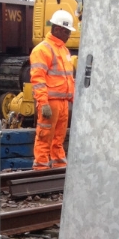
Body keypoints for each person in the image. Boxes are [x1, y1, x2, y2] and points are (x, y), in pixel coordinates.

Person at [30, 9, 76, 170]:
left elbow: (68, 78)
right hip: (50, 102)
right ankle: (41, 168)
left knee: (58, 138)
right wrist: (43, 103)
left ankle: (59, 166)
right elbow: (38, 79)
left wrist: (74, 100)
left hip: (62, 103)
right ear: (57, 29)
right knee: (45, 136)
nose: (69, 34)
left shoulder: (63, 50)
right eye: (66, 31)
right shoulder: (42, 50)